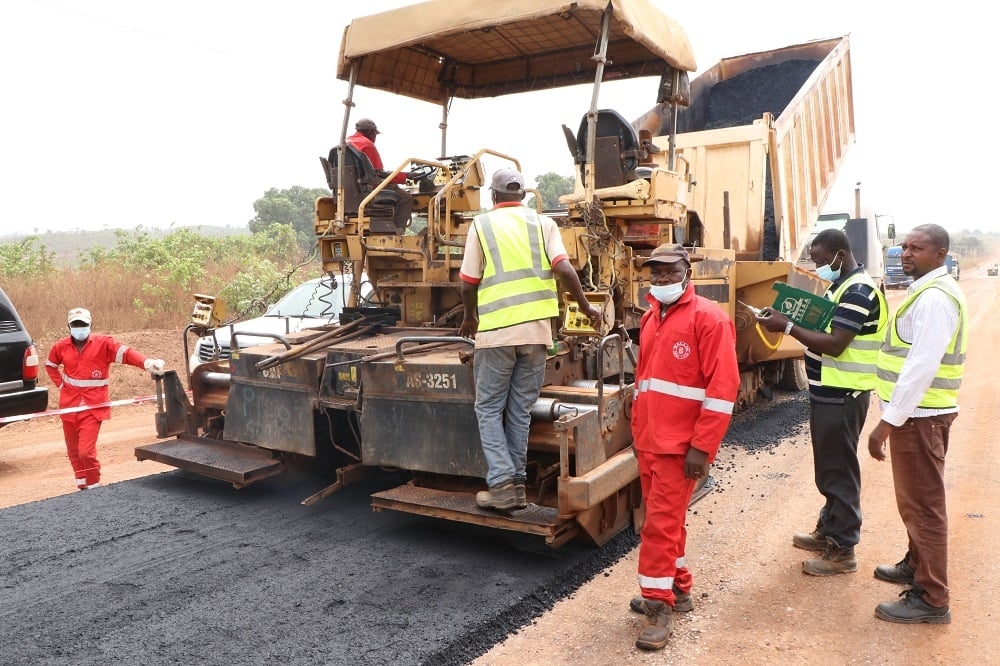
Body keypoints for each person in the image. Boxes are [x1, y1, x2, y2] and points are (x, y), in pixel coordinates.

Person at [459, 168, 601, 511]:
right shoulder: (544, 224)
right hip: (537, 335)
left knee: (489, 409)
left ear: (493, 196)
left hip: (496, 334)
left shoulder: (482, 226)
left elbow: (468, 282)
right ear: (523, 194)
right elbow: (565, 269)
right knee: (520, 411)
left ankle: (501, 484)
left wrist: (469, 316)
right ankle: (517, 485)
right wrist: (587, 306)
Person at [756, 228, 887, 576]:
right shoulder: (841, 285)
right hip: (828, 390)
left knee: (839, 470)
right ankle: (829, 528)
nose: (817, 266)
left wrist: (786, 329)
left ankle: (843, 550)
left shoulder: (858, 291)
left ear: (839, 255)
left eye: (820, 260)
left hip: (844, 393)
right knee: (828, 466)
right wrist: (786, 316)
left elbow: (836, 343)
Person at [629, 243, 739, 651]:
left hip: (681, 449)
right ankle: (681, 590)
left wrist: (702, 448)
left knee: (658, 526)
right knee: (666, 522)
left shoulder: (709, 319)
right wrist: (639, 436)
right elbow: (645, 384)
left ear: (687, 271)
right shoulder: (650, 317)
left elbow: (723, 389)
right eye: (655, 273)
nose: (661, 279)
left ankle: (658, 606)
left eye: (669, 272)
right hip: (652, 442)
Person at [867, 224, 967, 625]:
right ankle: (915, 564)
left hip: (919, 418)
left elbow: (921, 368)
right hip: (919, 416)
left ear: (940, 254)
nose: (906, 253)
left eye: (917, 248)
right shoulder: (924, 291)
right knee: (915, 503)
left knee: (924, 507)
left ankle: (931, 597)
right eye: (904, 246)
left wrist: (886, 423)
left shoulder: (934, 300)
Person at [45, 307, 166, 490]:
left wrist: (147, 363)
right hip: (69, 406)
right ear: (69, 326)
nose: (80, 328)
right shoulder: (60, 346)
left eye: (83, 324)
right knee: (74, 452)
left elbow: (126, 354)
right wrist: (61, 385)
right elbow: (50, 365)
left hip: (93, 407)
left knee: (85, 452)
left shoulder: (104, 344)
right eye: (75, 325)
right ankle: (82, 485)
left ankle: (94, 486)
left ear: (90, 325)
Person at [340, 118, 412, 229]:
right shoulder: (367, 145)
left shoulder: (345, 143)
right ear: (371, 132)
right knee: (405, 197)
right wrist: (405, 176)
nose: (375, 138)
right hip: (367, 190)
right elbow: (379, 174)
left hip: (348, 193)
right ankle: (396, 231)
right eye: (375, 134)